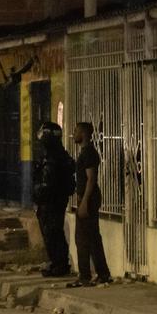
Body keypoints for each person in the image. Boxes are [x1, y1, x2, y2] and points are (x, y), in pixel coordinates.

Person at [67, 122, 112, 287]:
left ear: (84, 134)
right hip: (87, 197)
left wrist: (84, 201)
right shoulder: (86, 152)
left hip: (88, 198)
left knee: (83, 238)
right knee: (92, 238)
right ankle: (102, 274)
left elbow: (91, 179)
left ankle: (85, 276)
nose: (74, 134)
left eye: (77, 131)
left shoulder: (88, 154)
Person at [33, 122, 74, 278]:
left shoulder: (52, 156)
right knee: (53, 233)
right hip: (54, 200)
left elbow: (48, 182)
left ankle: (59, 264)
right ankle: (57, 263)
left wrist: (39, 196)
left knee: (52, 233)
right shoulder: (57, 154)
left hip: (51, 201)